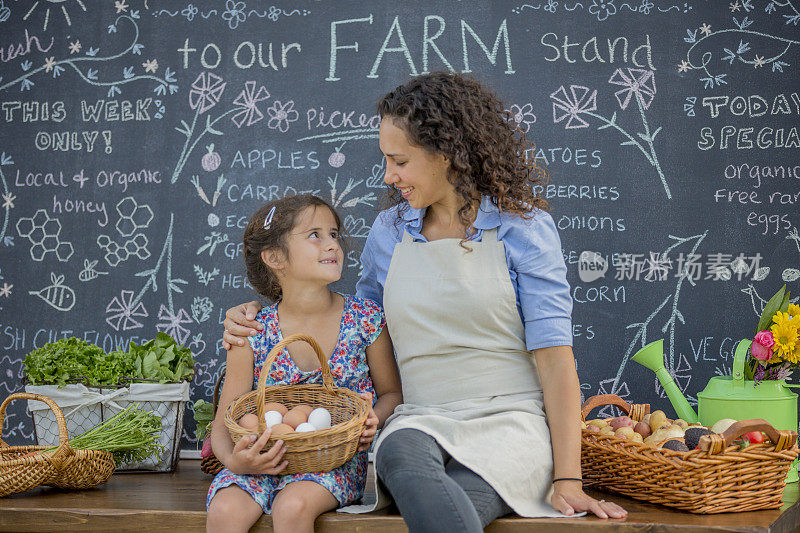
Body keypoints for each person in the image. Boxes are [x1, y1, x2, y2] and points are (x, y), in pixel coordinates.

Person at [222, 72, 627, 530]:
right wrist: (258, 311)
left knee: (461, 501)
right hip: (418, 417)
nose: (388, 176)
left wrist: (569, 477)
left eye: (399, 161)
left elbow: (556, 361)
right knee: (400, 456)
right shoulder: (390, 231)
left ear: (447, 154)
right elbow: (359, 324)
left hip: (511, 420)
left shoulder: (523, 228)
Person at [207, 195, 403, 533]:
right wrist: (235, 461)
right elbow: (225, 422)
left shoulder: (366, 320)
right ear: (274, 257)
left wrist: (375, 417)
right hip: (259, 459)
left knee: (293, 506)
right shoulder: (252, 331)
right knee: (225, 509)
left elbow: (392, 394)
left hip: (332, 462)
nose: (332, 245)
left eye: (333, 234)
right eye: (315, 235)